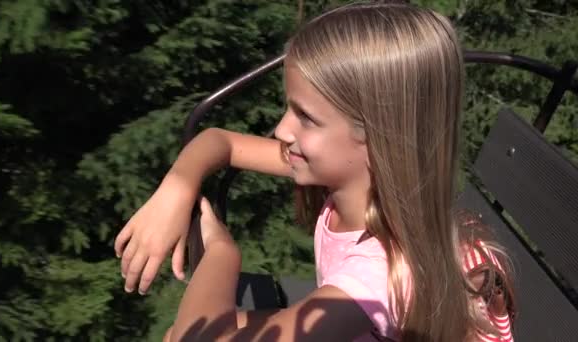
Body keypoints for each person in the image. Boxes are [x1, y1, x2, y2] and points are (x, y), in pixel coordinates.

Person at [115, 1, 516, 341]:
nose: (283, 129)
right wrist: (177, 186)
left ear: (378, 139)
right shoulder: (351, 178)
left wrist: (222, 253)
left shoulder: (379, 277)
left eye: (305, 117)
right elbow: (221, 140)